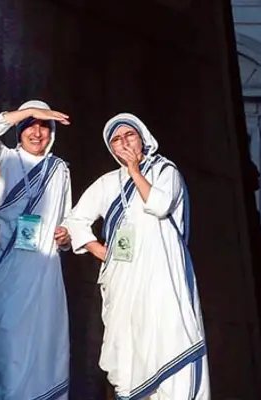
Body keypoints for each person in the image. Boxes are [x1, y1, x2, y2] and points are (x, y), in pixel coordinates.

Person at [59, 113, 210, 399]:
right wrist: (99, 250)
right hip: (123, 282)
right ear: (111, 149)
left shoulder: (166, 171)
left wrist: (135, 171)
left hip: (163, 279)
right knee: (127, 352)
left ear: (143, 138)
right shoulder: (106, 183)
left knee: (171, 342)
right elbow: (76, 219)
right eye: (117, 139)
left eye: (130, 135)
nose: (124, 143)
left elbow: (160, 204)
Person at [0, 100, 74, 400]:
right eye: (31, 126)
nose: (37, 133)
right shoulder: (4, 158)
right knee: (1, 342)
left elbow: (66, 220)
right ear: (20, 130)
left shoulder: (59, 170)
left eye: (43, 126)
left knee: (34, 345)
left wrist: (65, 236)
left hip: (38, 274)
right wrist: (27, 112)